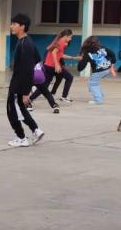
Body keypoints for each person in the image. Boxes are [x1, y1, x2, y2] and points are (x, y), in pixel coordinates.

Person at [7, 14, 45, 148]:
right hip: (18, 82)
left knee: (13, 112)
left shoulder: (25, 44)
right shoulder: (26, 41)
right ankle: (36, 130)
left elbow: (29, 69)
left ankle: (21, 137)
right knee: (19, 110)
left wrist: (25, 91)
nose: (11, 26)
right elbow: (37, 59)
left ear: (22, 27)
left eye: (14, 24)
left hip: (19, 85)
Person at [29, 31, 63, 113]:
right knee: (45, 91)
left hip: (36, 73)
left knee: (25, 90)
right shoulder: (56, 46)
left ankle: (28, 103)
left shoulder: (51, 47)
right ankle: (54, 105)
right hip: (40, 72)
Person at [77, 36, 117, 105]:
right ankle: (100, 95)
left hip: (99, 71)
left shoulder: (87, 54)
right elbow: (112, 54)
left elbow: (80, 68)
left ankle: (98, 100)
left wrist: (80, 60)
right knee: (95, 82)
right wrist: (112, 65)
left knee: (92, 83)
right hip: (107, 69)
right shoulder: (103, 48)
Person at [40, 29, 76, 104]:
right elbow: (53, 52)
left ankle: (31, 98)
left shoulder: (59, 41)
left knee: (46, 84)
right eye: (70, 37)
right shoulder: (62, 42)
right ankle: (63, 96)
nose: (71, 39)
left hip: (50, 65)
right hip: (52, 66)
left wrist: (73, 58)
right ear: (66, 36)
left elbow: (60, 55)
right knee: (69, 77)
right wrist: (57, 65)